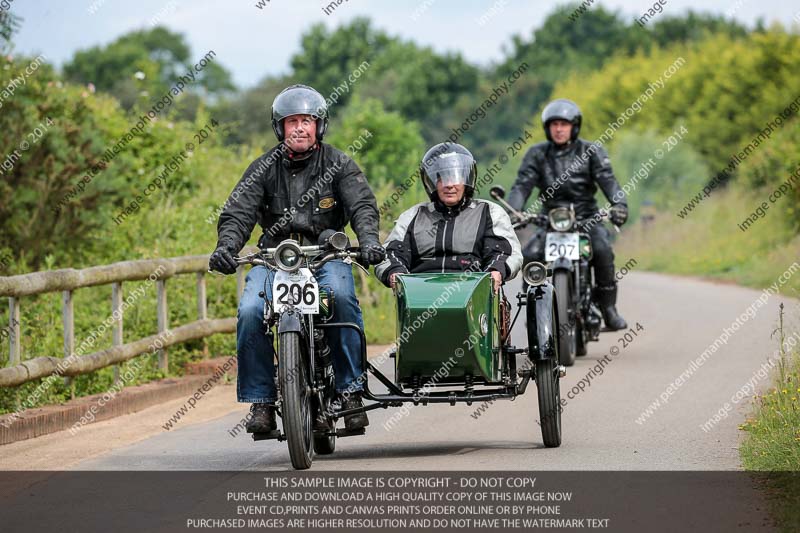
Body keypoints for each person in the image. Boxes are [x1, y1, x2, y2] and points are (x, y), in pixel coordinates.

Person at [208, 84, 385, 433]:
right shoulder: (262, 168)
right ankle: (261, 400)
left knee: (341, 298)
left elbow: (362, 206)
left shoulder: (340, 164)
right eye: (292, 122)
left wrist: (368, 241)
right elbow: (238, 213)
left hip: (327, 255)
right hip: (274, 258)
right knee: (249, 312)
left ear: (319, 126)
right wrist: (226, 247)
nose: (299, 128)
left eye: (306, 120)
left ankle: (350, 391)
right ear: (280, 128)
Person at [507, 98, 628, 330]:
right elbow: (522, 185)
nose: (559, 129)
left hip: (586, 218)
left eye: (564, 124)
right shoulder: (537, 154)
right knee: (530, 255)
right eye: (554, 125)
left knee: (602, 250)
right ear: (547, 128)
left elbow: (609, 182)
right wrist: (514, 211)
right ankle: (535, 310)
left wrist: (619, 206)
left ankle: (608, 309)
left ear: (574, 126)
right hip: (550, 220)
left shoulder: (591, 151)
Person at [376, 142, 522, 290]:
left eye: (455, 177)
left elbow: (504, 252)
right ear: (431, 182)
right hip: (420, 296)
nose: (449, 185)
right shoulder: (412, 216)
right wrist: (395, 272)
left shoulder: (489, 212)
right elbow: (391, 253)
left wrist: (495, 271)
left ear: (467, 180)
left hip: (474, 295)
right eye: (442, 178)